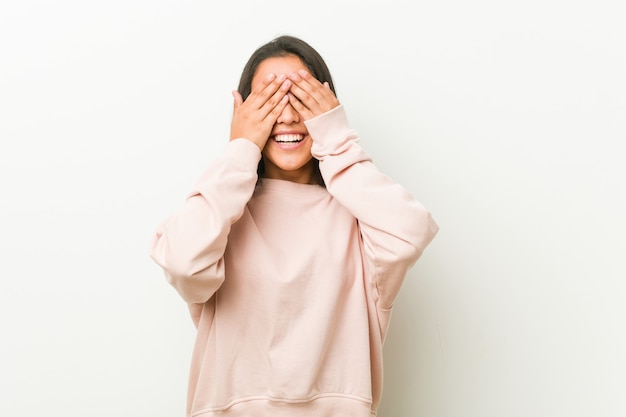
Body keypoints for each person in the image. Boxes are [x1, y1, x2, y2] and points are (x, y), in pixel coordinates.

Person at [150, 35, 439, 417]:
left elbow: (409, 235)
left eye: (300, 99)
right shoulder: (221, 214)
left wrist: (335, 139)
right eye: (269, 101)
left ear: (328, 107)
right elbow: (183, 261)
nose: (286, 116)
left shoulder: (361, 215)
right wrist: (240, 149)